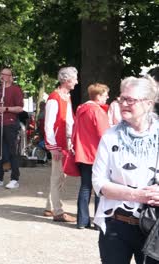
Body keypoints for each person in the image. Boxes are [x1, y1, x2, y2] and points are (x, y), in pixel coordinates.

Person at [92, 76, 159, 263]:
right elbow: (99, 182)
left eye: (131, 100)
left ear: (148, 103)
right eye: (122, 98)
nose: (123, 104)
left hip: (155, 228)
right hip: (116, 225)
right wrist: (137, 195)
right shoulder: (110, 136)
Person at [72, 83, 110, 229]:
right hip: (97, 154)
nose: (107, 97)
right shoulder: (97, 111)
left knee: (85, 187)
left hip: (83, 153)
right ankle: (99, 222)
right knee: (100, 188)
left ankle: (82, 221)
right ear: (98, 96)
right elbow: (104, 134)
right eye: (105, 94)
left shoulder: (81, 109)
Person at [43, 66, 77, 222]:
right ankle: (57, 210)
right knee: (58, 177)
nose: (77, 82)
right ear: (67, 80)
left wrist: (70, 139)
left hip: (64, 142)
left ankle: (50, 206)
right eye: (75, 78)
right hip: (57, 142)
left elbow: (69, 120)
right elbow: (48, 125)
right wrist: (54, 146)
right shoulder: (54, 98)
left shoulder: (65, 96)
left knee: (58, 176)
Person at [0, 67, 24, 189]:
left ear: (10, 77)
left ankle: (15, 179)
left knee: (13, 152)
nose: (2, 76)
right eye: (1, 74)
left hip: (10, 124)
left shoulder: (16, 89)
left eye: (5, 74)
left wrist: (6, 109)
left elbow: (20, 108)